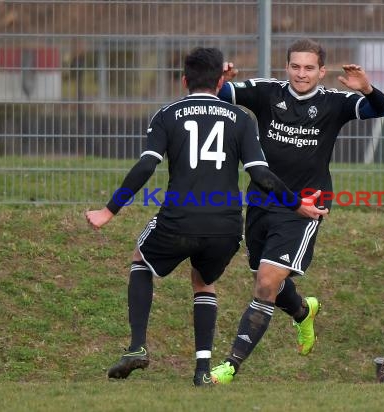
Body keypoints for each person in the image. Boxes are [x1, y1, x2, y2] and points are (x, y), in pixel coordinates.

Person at [85, 46, 327, 386]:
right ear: (219, 83)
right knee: (204, 281)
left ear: (184, 80)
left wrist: (108, 211)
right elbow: (260, 173)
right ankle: (202, 371)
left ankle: (137, 346)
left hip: (179, 220)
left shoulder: (168, 114)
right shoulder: (242, 120)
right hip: (227, 228)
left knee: (141, 257)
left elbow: (145, 166)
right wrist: (295, 203)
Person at [210, 38, 384, 383]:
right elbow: (219, 95)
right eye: (295, 66)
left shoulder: (335, 102)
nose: (301, 73)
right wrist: (222, 78)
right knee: (268, 281)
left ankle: (230, 365)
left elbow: (382, 109)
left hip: (306, 205)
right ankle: (303, 311)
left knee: (265, 282)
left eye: (309, 68)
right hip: (263, 200)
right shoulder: (267, 92)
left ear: (322, 71)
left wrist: (367, 88)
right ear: (287, 67)